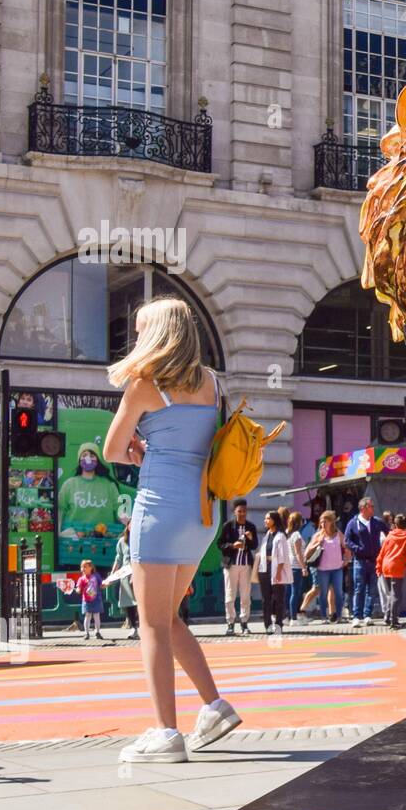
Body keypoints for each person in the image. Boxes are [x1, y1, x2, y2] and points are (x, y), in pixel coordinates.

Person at [104, 296, 242, 764]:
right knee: (171, 617)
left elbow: (112, 449)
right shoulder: (213, 384)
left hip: (159, 511)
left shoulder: (145, 385)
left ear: (159, 334)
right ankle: (215, 706)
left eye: (142, 329)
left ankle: (166, 733)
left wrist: (140, 449)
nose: (137, 338)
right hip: (201, 516)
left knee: (152, 625)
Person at [344, 497, 388, 627]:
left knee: (372, 589)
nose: (373, 508)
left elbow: (389, 534)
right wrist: (357, 549)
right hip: (360, 561)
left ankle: (367, 615)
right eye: (371, 506)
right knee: (359, 589)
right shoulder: (353, 523)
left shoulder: (377, 522)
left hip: (374, 560)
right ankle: (356, 616)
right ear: (363, 508)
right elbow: (347, 540)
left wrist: (383, 549)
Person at [217, 499, 257, 636]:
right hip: (231, 565)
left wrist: (251, 539)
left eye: (244, 511)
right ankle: (230, 623)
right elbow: (220, 544)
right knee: (230, 595)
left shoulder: (251, 527)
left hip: (246, 565)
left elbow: (254, 546)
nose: (242, 514)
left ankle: (244, 623)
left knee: (245, 595)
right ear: (234, 512)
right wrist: (232, 546)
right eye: (239, 511)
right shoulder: (228, 526)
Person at [375, 513, 406, 630]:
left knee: (390, 594)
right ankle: (394, 621)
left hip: (386, 566)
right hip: (397, 568)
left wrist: (378, 567)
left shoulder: (389, 536)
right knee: (396, 595)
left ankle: (388, 617)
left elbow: (382, 553)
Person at [306, 510, 346, 622]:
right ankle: (324, 617)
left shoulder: (338, 534)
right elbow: (307, 552)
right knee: (323, 593)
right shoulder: (318, 535)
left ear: (331, 522)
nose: (323, 524)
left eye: (325, 521)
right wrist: (317, 543)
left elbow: (346, 546)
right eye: (321, 522)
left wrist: (346, 559)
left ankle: (339, 616)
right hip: (322, 569)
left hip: (337, 568)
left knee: (338, 593)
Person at [258, 511, 291, 633]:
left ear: (274, 520)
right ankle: (267, 625)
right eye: (265, 518)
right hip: (264, 569)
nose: (265, 521)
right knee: (266, 599)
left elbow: (282, 557)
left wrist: (278, 572)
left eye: (268, 518)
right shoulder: (267, 535)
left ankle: (278, 624)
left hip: (276, 569)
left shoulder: (281, 536)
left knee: (278, 599)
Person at [110, 519, 139, 640]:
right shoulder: (122, 541)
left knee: (142, 603)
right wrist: (113, 574)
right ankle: (134, 628)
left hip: (140, 575)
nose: (132, 526)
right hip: (126, 576)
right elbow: (119, 558)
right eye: (130, 524)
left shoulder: (142, 539)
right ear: (127, 526)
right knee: (128, 603)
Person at [286, 511, 308, 625]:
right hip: (296, 566)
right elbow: (298, 553)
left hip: (289, 565)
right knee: (295, 592)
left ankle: (289, 616)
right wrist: (303, 567)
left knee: (290, 592)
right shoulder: (297, 535)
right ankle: (293, 617)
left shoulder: (288, 534)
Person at [77, 560, 104, 641]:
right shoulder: (81, 579)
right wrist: (78, 590)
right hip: (86, 600)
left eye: (85, 567)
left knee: (96, 616)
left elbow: (101, 584)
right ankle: (86, 633)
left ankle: (97, 632)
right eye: (82, 567)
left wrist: (105, 584)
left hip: (96, 599)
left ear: (91, 567)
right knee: (87, 616)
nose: (83, 569)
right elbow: (78, 588)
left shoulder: (96, 576)